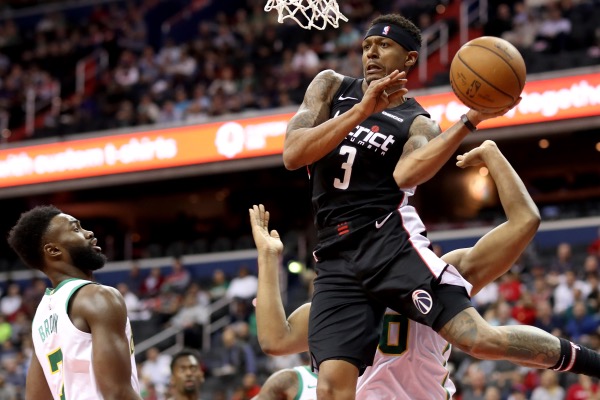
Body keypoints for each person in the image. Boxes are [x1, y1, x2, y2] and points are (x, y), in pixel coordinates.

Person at [281, 12, 600, 399]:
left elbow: (406, 176)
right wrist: (361, 111)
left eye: (384, 45)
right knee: (330, 390)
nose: (372, 53)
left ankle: (593, 363)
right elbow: (294, 154)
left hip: (387, 242)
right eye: (367, 45)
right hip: (334, 253)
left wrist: (468, 122)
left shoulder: (416, 121)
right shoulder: (332, 86)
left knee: (476, 338)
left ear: (410, 59)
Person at [251, 141, 540, 399]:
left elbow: (277, 338)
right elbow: (524, 221)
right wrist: (267, 256)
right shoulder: (343, 297)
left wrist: (493, 152)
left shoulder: (442, 274)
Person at [7, 206, 142, 400]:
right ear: (53, 250)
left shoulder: (41, 317)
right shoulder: (98, 296)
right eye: (76, 229)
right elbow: (118, 393)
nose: (89, 233)